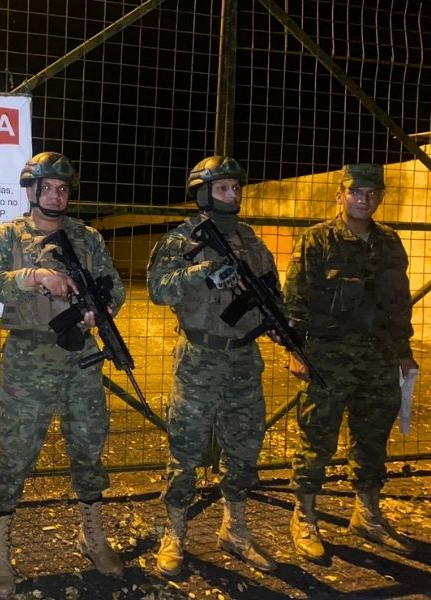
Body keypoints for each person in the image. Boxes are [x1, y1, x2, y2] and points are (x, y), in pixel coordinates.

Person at [0, 151, 126, 599]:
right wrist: (34, 276)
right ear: (31, 191)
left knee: (89, 445)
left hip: (82, 357)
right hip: (28, 358)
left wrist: (103, 310)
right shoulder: (9, 235)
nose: (57, 195)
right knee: (17, 451)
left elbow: (114, 286)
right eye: (48, 188)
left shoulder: (87, 236)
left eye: (63, 188)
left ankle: (91, 534)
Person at [146, 155, 278, 576]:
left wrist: (279, 321)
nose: (232, 195)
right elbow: (158, 289)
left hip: (243, 358)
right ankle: (175, 532)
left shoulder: (250, 240)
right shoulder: (180, 240)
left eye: (236, 188)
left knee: (243, 447)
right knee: (185, 450)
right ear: (202, 193)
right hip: (199, 359)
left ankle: (234, 528)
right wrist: (202, 273)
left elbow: (271, 290)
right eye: (223, 188)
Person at [285, 163, 418, 561]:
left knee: (373, 437)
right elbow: (294, 300)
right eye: (356, 192)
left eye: (372, 193)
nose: (364, 199)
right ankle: (305, 516)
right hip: (328, 358)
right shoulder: (316, 240)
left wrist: (403, 352)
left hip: (377, 358)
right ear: (340, 195)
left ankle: (367, 514)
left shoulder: (389, 242)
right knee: (317, 438)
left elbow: (398, 303)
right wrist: (295, 350)